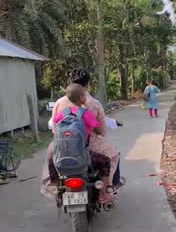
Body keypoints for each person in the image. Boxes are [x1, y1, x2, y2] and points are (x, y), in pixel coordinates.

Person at [41, 69, 123, 203]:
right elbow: (101, 130)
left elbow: (55, 128)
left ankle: (53, 187)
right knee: (112, 156)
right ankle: (107, 189)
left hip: (63, 145)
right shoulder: (92, 105)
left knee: (51, 157)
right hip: (87, 147)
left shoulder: (59, 103)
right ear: (86, 87)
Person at [48, 84, 103, 184]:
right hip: (84, 155)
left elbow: (54, 125)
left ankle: (55, 185)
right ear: (82, 98)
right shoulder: (86, 113)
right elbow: (99, 130)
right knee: (106, 161)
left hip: (62, 156)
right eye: (85, 95)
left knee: (51, 160)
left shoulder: (62, 113)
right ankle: (104, 191)